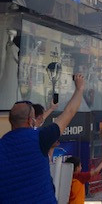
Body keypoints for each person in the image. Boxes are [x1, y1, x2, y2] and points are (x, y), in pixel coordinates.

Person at [0, 73, 85, 203]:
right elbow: (69, 112)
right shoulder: (40, 138)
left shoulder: (3, 145)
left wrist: (51, 108)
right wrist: (79, 89)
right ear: (30, 121)